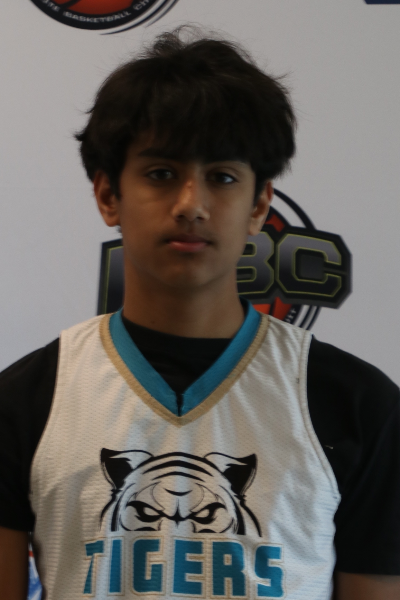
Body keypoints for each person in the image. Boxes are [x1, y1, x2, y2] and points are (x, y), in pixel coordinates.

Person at [0, 26, 399, 600]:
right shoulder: (24, 401)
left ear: (259, 204)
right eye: (161, 174)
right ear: (108, 195)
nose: (192, 204)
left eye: (222, 177)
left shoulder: (358, 405)